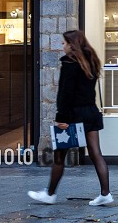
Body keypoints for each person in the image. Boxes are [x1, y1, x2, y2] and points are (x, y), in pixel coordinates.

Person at [28, 29, 112, 207]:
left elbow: (65, 93)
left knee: (59, 156)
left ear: (72, 45)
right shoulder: (91, 61)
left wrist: (61, 117)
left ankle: (50, 194)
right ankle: (106, 193)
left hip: (73, 114)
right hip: (90, 111)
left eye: (64, 43)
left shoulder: (69, 62)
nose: (62, 46)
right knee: (96, 153)